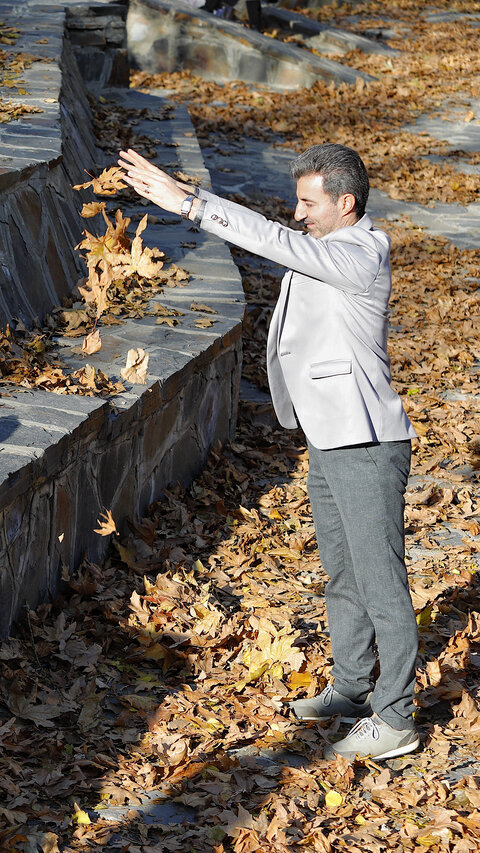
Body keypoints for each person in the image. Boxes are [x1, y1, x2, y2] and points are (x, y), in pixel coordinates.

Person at [118, 144, 419, 761]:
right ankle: (354, 685)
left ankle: (396, 716)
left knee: (379, 578)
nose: (297, 212)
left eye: (309, 202)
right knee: (342, 571)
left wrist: (189, 202)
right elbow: (285, 242)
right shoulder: (328, 247)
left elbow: (274, 242)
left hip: (367, 441)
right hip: (331, 437)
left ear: (346, 203)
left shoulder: (362, 253)